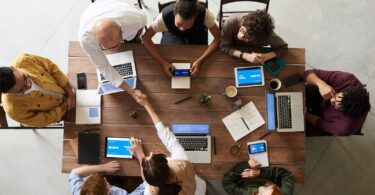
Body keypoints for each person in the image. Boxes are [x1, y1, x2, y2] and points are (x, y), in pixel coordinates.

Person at [130, 94, 206, 195]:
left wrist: (140, 155)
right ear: (167, 165)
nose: (151, 152)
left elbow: (148, 177)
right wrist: (146, 104)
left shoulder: (149, 191)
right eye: (151, 156)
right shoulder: (182, 163)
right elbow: (165, 135)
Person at [79, 0, 146, 98]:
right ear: (95, 38)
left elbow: (141, 27)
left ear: (121, 29)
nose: (114, 51)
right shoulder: (86, 39)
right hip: (94, 10)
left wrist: (135, 37)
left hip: (122, 11)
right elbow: (104, 67)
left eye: (116, 45)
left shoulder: (136, 19)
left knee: (134, 40)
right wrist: (131, 91)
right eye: (106, 48)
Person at [142, 0, 220, 77]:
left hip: (196, 35)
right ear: (174, 13)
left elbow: (218, 37)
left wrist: (200, 60)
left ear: (195, 17)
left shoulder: (205, 14)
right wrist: (163, 62)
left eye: (188, 25)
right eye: (179, 24)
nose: (182, 29)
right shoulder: (164, 17)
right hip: (173, 34)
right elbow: (145, 38)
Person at [0, 54, 75, 127]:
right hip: (62, 113)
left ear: (14, 68)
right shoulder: (14, 110)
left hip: (67, 87)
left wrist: (70, 93)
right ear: (7, 92)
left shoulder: (24, 60)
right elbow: (43, 120)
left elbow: (51, 67)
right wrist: (65, 106)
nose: (29, 85)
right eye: (22, 90)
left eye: (25, 78)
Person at [303, 69, 371, 136]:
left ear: (344, 113)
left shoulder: (344, 128)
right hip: (319, 93)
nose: (331, 100)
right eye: (336, 97)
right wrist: (321, 84)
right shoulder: (347, 79)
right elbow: (306, 73)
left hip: (323, 116)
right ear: (346, 90)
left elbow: (319, 122)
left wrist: (304, 114)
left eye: (334, 105)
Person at [220, 10, 288, 64]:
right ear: (243, 22)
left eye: (248, 38)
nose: (240, 36)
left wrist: (266, 56)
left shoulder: (268, 35)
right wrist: (244, 55)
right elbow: (223, 46)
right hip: (232, 58)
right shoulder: (231, 22)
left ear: (259, 38)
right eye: (242, 30)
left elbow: (283, 48)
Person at [69, 161, 145, 195]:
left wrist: (104, 167)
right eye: (106, 182)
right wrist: (141, 156)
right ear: (107, 192)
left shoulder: (81, 193)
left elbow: (74, 173)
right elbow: (145, 186)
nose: (105, 179)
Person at [222, 159, 294, 195]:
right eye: (269, 187)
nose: (261, 188)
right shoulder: (284, 193)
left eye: (261, 194)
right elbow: (286, 175)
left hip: (241, 176)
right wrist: (260, 172)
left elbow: (226, 182)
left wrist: (244, 165)